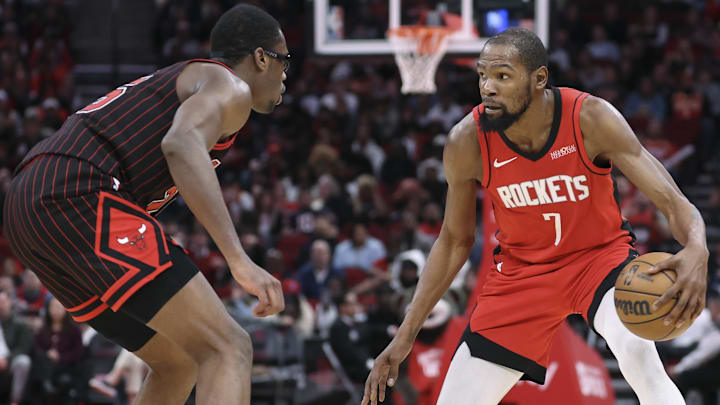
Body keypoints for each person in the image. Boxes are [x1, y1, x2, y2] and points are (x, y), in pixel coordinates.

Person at [362, 28, 708, 405]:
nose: (487, 87)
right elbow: (453, 241)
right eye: (482, 75)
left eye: (502, 76)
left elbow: (672, 200)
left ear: (539, 79)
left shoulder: (590, 118)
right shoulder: (466, 142)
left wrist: (698, 247)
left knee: (639, 355)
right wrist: (405, 335)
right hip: (521, 276)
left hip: (599, 260)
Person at [2, 4, 287, 405]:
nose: (286, 74)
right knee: (229, 347)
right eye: (283, 60)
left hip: (28, 207)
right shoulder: (230, 87)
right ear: (261, 57)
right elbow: (180, 144)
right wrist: (239, 260)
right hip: (74, 190)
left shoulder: (195, 83)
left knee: (181, 362)